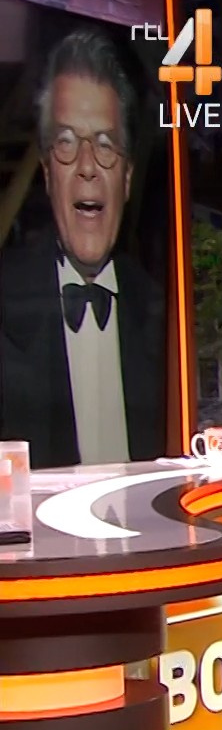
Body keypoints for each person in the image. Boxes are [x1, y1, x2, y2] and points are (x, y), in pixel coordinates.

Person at [0, 28, 165, 467]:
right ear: (47, 175)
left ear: (126, 179)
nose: (88, 166)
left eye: (105, 145)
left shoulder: (162, 316)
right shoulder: (6, 303)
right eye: (67, 144)